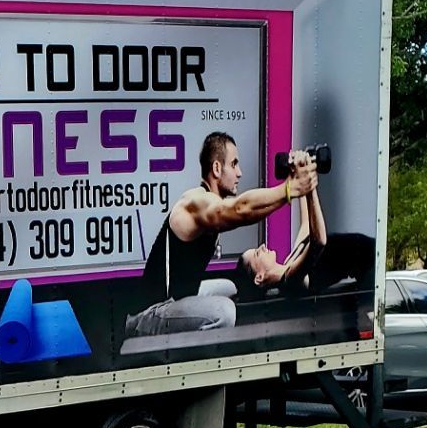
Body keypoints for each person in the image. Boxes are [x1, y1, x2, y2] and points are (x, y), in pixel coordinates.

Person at [126, 135, 317, 337]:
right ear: (217, 168)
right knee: (224, 312)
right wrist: (289, 188)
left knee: (229, 287)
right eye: (234, 164)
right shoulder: (196, 203)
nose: (239, 173)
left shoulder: (210, 202)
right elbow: (242, 210)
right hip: (149, 314)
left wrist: (293, 189)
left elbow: (247, 210)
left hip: (176, 297)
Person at [236, 176, 374, 297]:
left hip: (372, 252)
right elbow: (318, 242)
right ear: (259, 278)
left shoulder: (289, 261)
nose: (262, 246)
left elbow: (306, 226)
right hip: (371, 265)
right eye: (257, 254)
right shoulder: (291, 281)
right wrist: (310, 187)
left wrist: (299, 180)